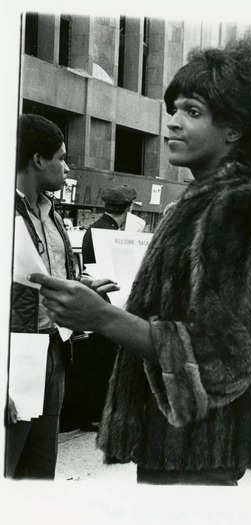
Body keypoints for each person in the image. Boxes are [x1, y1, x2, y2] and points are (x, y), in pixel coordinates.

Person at [30, 39, 251, 485]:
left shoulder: (240, 207)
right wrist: (109, 310)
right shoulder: (194, 206)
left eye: (192, 112)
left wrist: (102, 319)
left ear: (234, 129)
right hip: (178, 444)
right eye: (174, 110)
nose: (173, 123)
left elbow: (225, 356)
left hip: (200, 451)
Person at [6, 114, 113, 478]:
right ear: (38, 159)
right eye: (62, 158)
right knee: (9, 466)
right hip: (15, 356)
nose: (67, 168)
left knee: (40, 467)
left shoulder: (51, 213)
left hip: (54, 349)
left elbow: (51, 277)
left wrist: (81, 287)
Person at [61, 185, 138, 431]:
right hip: (108, 304)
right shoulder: (110, 233)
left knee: (100, 361)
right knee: (103, 362)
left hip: (100, 304)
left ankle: (96, 413)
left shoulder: (95, 229)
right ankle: (96, 414)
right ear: (128, 208)